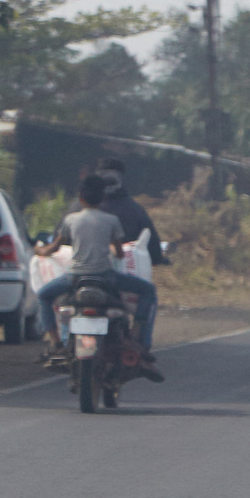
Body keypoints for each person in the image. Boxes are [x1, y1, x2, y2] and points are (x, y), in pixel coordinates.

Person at [35, 174, 164, 381]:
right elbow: (121, 254)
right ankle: (139, 337)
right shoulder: (112, 220)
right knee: (149, 290)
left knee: (43, 295)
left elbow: (55, 248)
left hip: (75, 279)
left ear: (81, 198)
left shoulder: (70, 220)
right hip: (106, 278)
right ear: (103, 198)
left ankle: (55, 342)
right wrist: (110, 248)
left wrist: (40, 251)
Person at [91, 157, 165, 355]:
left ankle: (63, 340)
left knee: (63, 301)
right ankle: (141, 343)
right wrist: (158, 258)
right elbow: (151, 244)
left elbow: (57, 243)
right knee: (148, 293)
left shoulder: (75, 212)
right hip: (112, 278)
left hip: (77, 278)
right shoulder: (133, 210)